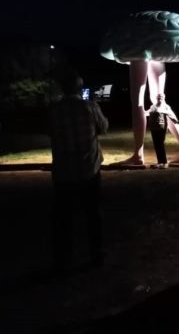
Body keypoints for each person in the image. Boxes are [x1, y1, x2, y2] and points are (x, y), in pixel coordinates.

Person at [48, 70, 109, 271]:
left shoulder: (54, 110)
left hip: (63, 172)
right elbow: (104, 127)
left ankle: (64, 260)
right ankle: (96, 254)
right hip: (88, 169)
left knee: (64, 218)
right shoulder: (89, 107)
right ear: (79, 88)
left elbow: (51, 133)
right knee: (93, 214)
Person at [146, 93, 179, 168]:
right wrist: (141, 113)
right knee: (156, 145)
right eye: (158, 97)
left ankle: (164, 163)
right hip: (153, 128)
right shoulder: (153, 106)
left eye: (161, 97)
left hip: (161, 128)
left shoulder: (166, 107)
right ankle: (160, 162)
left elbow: (171, 114)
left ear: (164, 98)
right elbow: (147, 113)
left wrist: (176, 121)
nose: (160, 98)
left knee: (160, 144)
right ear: (156, 98)